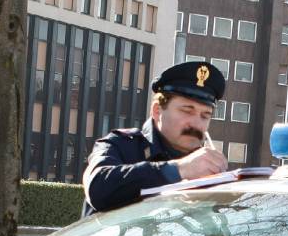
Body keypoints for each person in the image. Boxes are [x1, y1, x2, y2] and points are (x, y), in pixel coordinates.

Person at [83, 61, 229, 213]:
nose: (197, 124)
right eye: (187, 110)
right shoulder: (120, 145)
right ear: (157, 111)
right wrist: (179, 169)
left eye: (205, 115)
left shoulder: (209, 167)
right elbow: (98, 189)